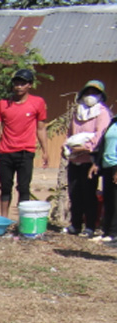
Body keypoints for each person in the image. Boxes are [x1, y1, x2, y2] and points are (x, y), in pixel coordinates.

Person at [0, 68, 48, 218]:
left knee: (24, 188)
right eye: (16, 82)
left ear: (29, 85)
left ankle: (22, 221)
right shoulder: (3, 104)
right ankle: (3, 219)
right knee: (5, 187)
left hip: (26, 152)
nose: (19, 86)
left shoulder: (37, 103)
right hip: (5, 152)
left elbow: (41, 128)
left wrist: (45, 151)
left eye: (22, 83)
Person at [63, 80, 110, 236]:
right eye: (88, 92)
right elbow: (70, 134)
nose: (90, 96)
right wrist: (67, 146)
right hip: (74, 159)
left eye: (94, 93)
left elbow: (100, 137)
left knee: (89, 194)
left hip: (90, 161)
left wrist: (85, 147)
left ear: (100, 96)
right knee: (74, 192)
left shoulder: (102, 113)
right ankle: (75, 225)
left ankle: (90, 226)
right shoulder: (78, 112)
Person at [90, 111, 117, 241]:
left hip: (116, 166)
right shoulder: (113, 122)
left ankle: (114, 233)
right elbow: (103, 145)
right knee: (108, 199)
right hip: (107, 166)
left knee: (115, 201)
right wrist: (97, 163)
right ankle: (106, 232)